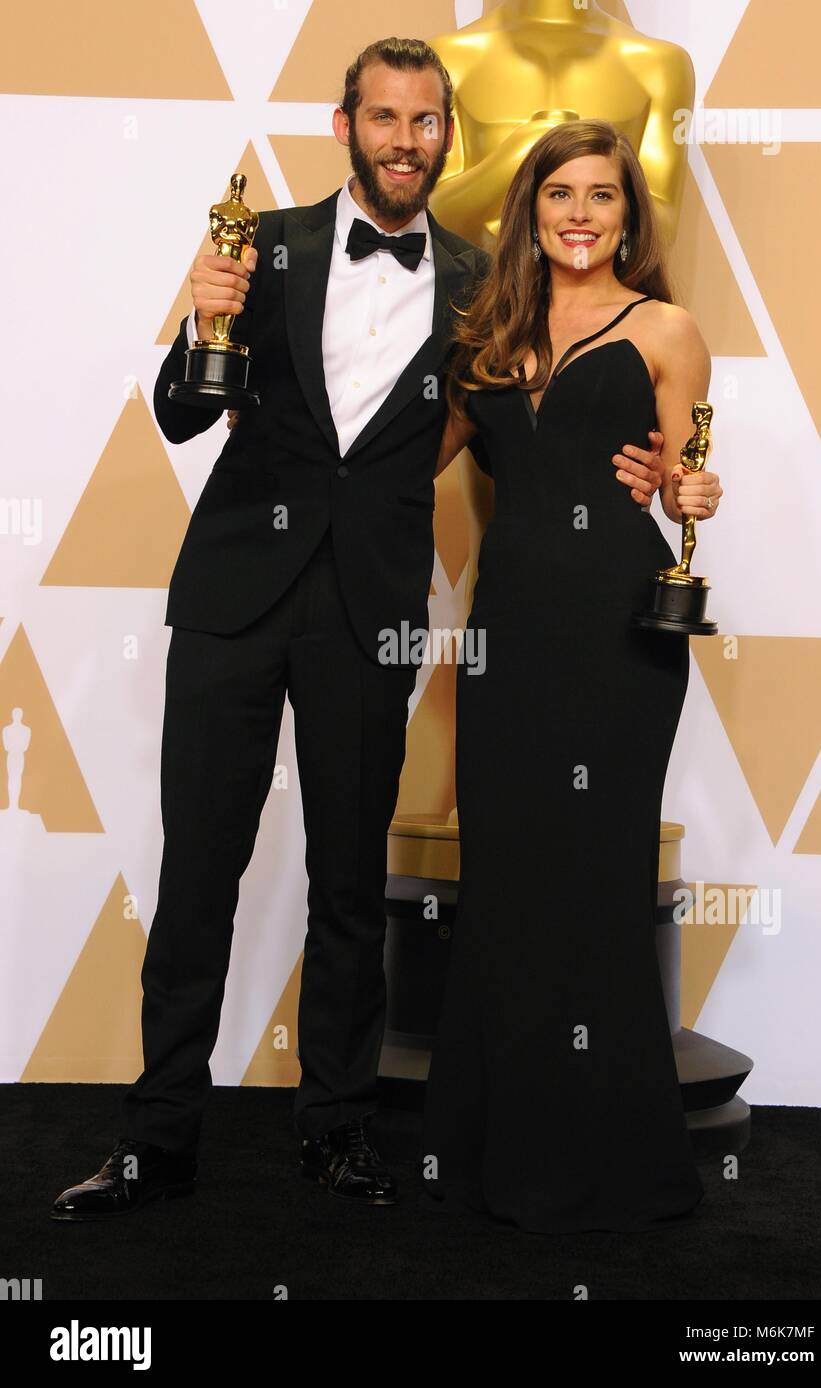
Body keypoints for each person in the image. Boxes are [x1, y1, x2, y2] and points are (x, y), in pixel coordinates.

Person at [50, 37, 495, 1220]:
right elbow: (186, 417)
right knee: (199, 870)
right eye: (386, 117)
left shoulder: (481, 277)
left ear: (448, 133)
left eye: (427, 120)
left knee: (351, 882)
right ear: (344, 125)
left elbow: (510, 426)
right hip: (235, 598)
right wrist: (203, 325)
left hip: (370, 609)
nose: (408, 139)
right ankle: (158, 1141)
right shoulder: (269, 244)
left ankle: (338, 1131)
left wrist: (654, 480)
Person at [420, 118, 723, 1235]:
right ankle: (493, 1149)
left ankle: (614, 1163)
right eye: (562, 195)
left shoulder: (667, 328)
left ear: (629, 217)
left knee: (595, 882)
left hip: (619, 632)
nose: (582, 214)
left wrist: (690, 493)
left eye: (603, 196)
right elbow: (416, 461)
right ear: (530, 212)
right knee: (508, 880)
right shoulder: (487, 334)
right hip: (509, 638)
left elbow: (687, 468)